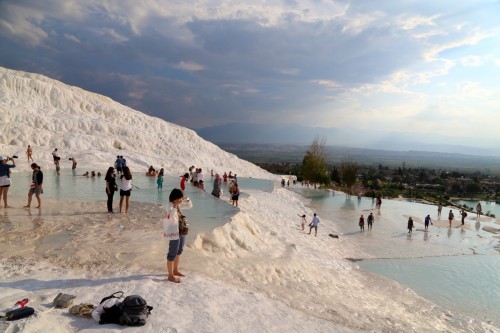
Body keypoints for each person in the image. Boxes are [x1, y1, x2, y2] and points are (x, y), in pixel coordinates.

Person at [165, 188, 190, 283]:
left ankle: (175, 270)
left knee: (179, 251)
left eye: (181, 198)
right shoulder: (169, 205)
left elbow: (189, 206)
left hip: (181, 230)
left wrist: (187, 199)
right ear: (174, 198)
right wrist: (175, 205)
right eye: (179, 198)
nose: (180, 200)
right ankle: (170, 275)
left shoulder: (178, 204)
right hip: (174, 231)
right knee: (172, 253)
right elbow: (171, 216)